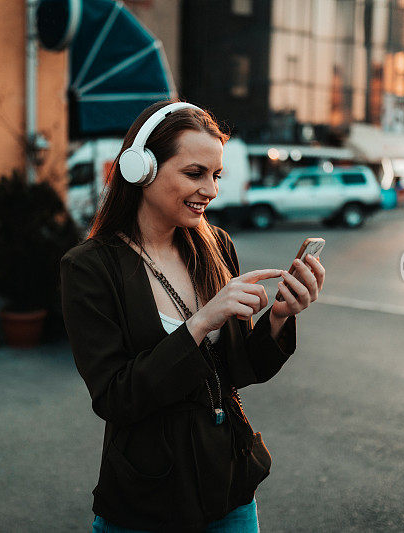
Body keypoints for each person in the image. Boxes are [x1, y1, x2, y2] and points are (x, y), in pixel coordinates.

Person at [59, 100, 325, 532]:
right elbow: (116, 397)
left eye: (216, 175)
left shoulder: (215, 245)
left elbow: (238, 370)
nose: (212, 190)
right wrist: (202, 322)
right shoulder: (89, 267)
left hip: (230, 488)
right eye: (195, 173)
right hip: (146, 500)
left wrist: (279, 316)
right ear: (140, 168)